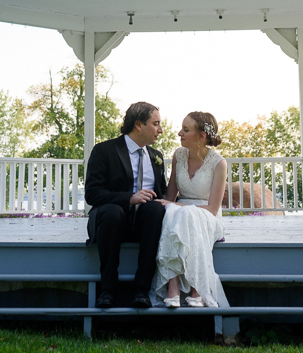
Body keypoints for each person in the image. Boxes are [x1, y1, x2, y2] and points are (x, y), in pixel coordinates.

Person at [85, 101, 168, 309]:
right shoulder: (104, 151)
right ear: (139, 125)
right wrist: (129, 198)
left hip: (145, 225)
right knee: (112, 212)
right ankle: (107, 291)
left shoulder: (156, 157)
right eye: (156, 123)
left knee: (156, 208)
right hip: (112, 222)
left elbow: (163, 193)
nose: (161, 130)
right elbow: (92, 194)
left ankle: (142, 290)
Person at [152, 111, 229, 308]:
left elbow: (212, 209)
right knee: (173, 212)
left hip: (206, 214)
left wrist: (176, 205)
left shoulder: (219, 163)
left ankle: (198, 288)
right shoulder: (179, 155)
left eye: (186, 130)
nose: (180, 133)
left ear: (201, 136)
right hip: (178, 212)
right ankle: (173, 285)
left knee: (184, 213)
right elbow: (170, 195)